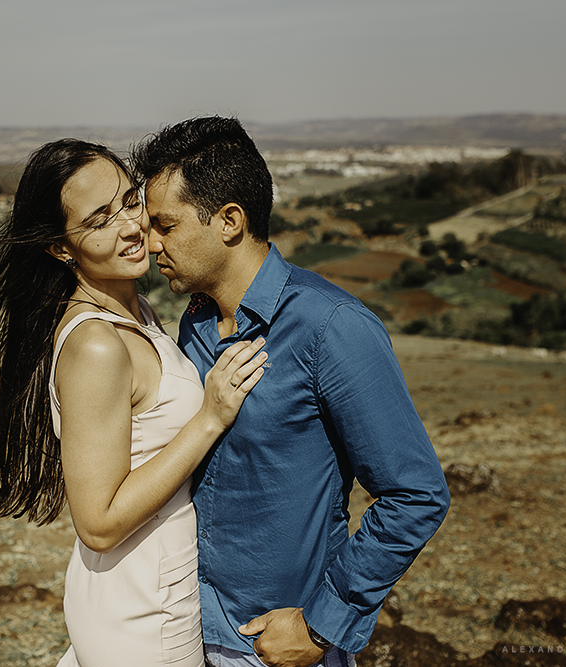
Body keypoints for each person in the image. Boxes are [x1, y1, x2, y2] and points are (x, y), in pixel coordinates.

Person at [133, 116, 451, 667]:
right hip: (184, 629)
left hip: (271, 646)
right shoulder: (197, 321)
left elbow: (415, 494)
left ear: (229, 220)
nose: (149, 242)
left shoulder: (332, 328)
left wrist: (323, 624)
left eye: (166, 225)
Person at [0, 139, 268, 666]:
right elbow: (98, 521)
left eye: (129, 201)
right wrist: (209, 419)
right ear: (62, 248)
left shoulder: (138, 312)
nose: (131, 227)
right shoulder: (96, 344)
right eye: (98, 220)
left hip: (151, 588)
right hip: (143, 611)